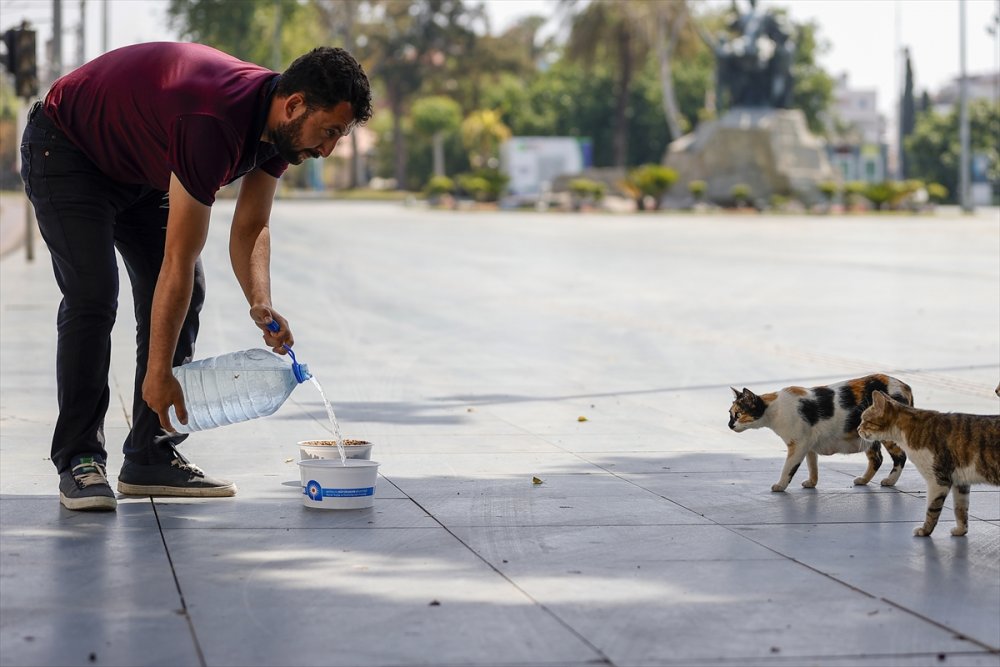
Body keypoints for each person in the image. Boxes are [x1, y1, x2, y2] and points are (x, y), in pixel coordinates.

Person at [19, 42, 372, 511]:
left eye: (337, 138)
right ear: (294, 106)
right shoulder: (214, 121)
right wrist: (158, 372)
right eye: (329, 133)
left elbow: (251, 225)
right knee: (94, 295)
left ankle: (150, 456)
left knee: (190, 294)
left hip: (138, 169)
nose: (327, 150)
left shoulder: (279, 128)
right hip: (67, 149)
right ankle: (80, 459)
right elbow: (178, 259)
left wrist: (259, 300)